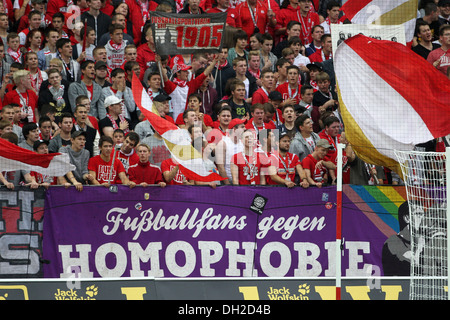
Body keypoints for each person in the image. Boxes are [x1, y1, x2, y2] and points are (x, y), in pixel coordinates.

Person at [215, 117, 245, 184]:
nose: (245, 129)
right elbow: (220, 167)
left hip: (242, 181)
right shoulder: (223, 143)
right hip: (229, 181)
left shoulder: (243, 143)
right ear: (234, 129)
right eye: (242, 127)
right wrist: (227, 184)